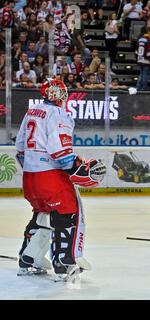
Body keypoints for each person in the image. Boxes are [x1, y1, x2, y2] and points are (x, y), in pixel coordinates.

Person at [15, 79, 106, 280]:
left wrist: (33, 167)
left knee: (41, 215)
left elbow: (20, 149)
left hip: (30, 178)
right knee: (68, 214)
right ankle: (65, 264)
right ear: (61, 96)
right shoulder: (60, 114)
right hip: (50, 177)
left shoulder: (32, 111)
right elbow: (61, 153)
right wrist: (78, 165)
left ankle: (28, 259)